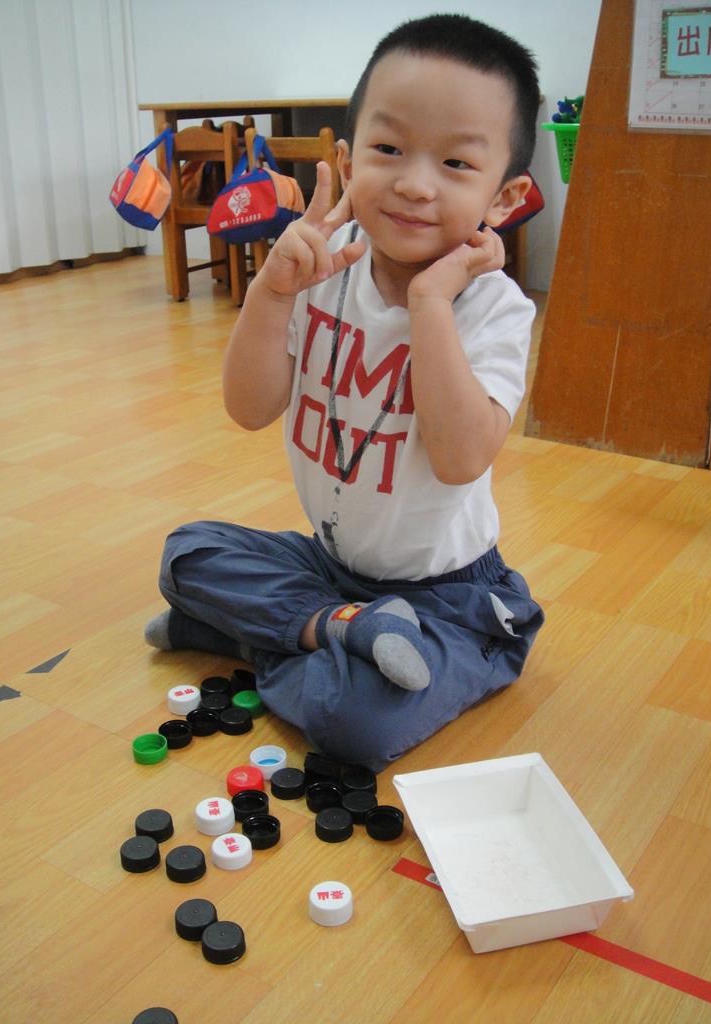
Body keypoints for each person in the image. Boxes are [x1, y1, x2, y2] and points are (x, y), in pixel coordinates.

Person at [145, 13, 545, 771]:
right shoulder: (321, 268)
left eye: (456, 163)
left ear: (504, 197)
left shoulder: (494, 309)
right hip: (331, 569)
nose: (415, 183)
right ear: (344, 157)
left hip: (445, 596)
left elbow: (460, 459)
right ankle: (335, 629)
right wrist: (271, 291)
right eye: (388, 149)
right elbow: (249, 408)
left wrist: (429, 303)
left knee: (355, 724)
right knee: (187, 553)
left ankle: (257, 633)